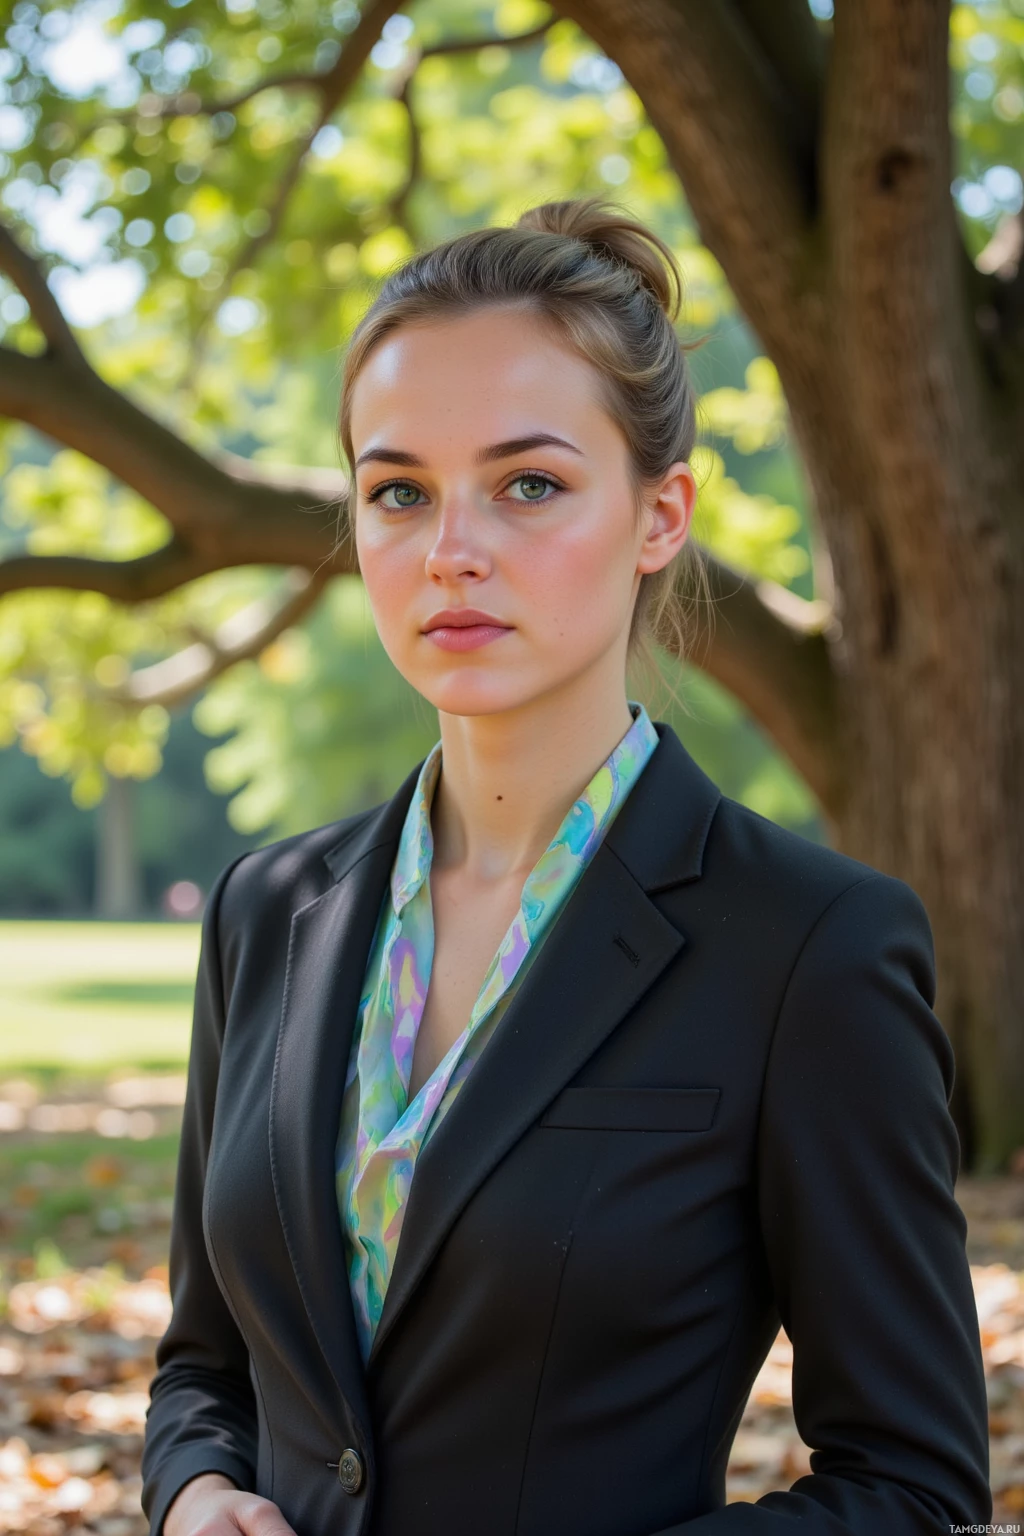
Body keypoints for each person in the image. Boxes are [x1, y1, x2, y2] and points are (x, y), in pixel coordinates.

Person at [140, 199, 991, 1536]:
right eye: (398, 490)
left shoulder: (810, 948)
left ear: (661, 517)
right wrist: (193, 1493)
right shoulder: (267, 913)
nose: (451, 550)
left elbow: (914, 1487)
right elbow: (206, 1364)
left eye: (528, 483)